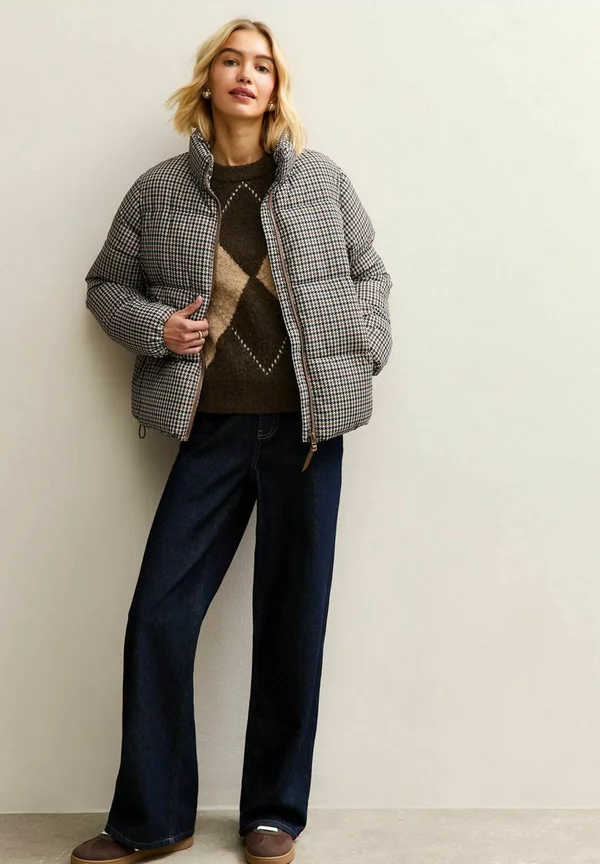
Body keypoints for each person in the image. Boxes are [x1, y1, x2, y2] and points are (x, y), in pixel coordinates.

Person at [71, 16, 392, 864]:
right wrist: (155, 328)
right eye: (231, 60)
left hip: (307, 433)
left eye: (263, 65)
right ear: (208, 78)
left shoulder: (320, 181)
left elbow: (371, 273)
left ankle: (273, 814)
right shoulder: (158, 192)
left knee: (292, 621)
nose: (247, 75)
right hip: (209, 431)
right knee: (158, 617)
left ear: (276, 87)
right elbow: (105, 285)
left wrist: (365, 345)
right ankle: (152, 820)